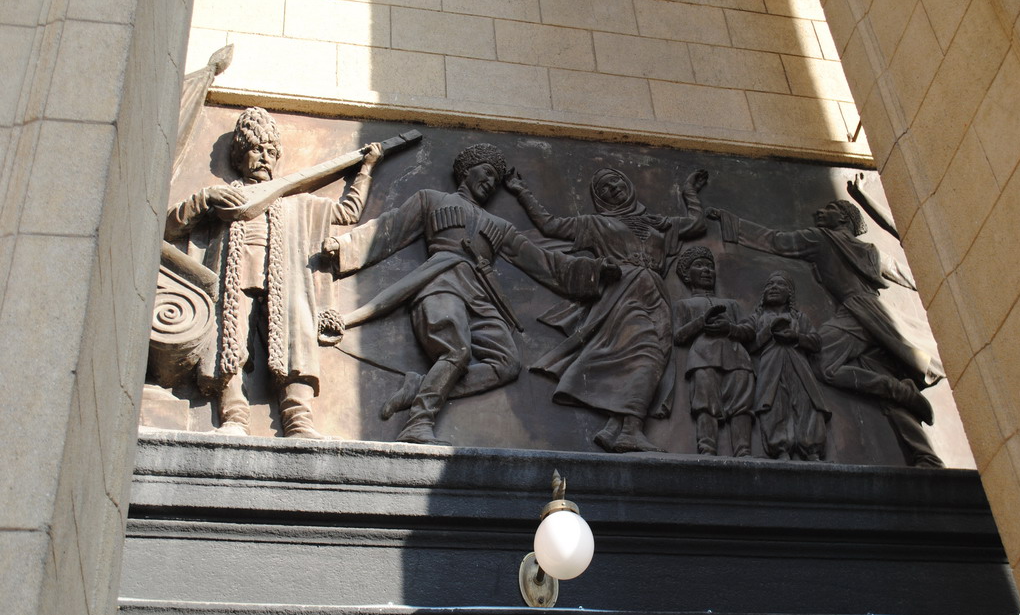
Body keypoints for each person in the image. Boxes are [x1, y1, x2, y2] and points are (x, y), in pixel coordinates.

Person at [320, 143, 618, 446]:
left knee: (507, 364)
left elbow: (543, 262)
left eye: (496, 180)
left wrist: (593, 270)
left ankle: (420, 386)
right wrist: (344, 246)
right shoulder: (432, 200)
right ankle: (419, 422)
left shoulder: (499, 226)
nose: (490, 182)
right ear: (467, 171)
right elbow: (387, 230)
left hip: (480, 296)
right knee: (456, 351)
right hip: (440, 283)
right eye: (486, 173)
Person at [164, 106, 383, 438]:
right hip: (234, 277)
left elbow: (348, 213)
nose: (264, 158)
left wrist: (367, 168)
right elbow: (170, 226)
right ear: (240, 156)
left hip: (284, 282)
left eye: (270, 151)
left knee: (295, 344)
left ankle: (299, 421)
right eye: (256, 150)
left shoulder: (295, 202)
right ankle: (234, 418)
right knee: (229, 343)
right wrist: (205, 198)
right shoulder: (224, 199)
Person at [706, 192, 945, 467]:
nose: (819, 213)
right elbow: (909, 275)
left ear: (843, 218)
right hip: (879, 315)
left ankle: (899, 390)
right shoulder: (871, 251)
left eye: (828, 209)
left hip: (857, 314)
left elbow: (777, 241)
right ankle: (926, 456)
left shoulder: (822, 239)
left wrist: (733, 223)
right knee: (882, 382)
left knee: (822, 362)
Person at [507, 166, 707, 453]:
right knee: (646, 351)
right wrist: (522, 192)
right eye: (605, 189)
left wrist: (689, 192)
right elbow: (550, 226)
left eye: (615, 183)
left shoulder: (656, 222)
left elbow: (696, 225)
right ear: (600, 199)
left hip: (657, 295)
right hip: (624, 290)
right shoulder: (595, 223)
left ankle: (615, 427)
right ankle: (631, 430)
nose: (613, 189)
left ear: (627, 184)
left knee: (659, 357)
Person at [673, 246, 755, 457]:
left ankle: (743, 450)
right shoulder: (684, 305)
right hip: (703, 359)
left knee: (742, 405)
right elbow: (679, 336)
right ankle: (707, 448)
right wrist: (702, 321)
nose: (706, 270)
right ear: (687, 276)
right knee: (705, 404)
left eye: (710, 267)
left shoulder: (731, 304)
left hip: (738, 358)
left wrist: (730, 328)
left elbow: (749, 330)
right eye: (699, 266)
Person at [741, 271, 830, 461]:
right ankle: (781, 450)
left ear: (789, 294)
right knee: (774, 405)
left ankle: (812, 451)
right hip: (770, 367)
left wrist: (796, 337)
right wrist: (769, 331)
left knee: (807, 404)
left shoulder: (799, 318)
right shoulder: (757, 317)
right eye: (769, 285)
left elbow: (816, 342)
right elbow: (749, 345)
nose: (773, 288)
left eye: (780, 284)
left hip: (799, 367)